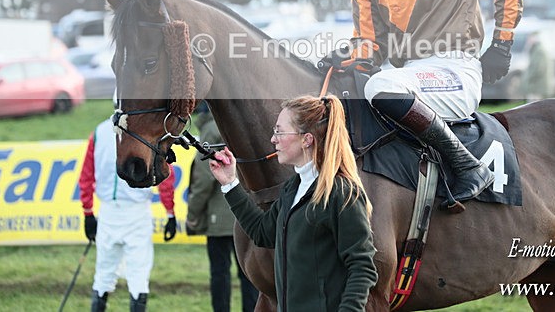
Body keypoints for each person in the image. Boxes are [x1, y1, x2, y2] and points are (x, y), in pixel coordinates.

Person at [325, 0, 526, 210]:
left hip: (453, 72)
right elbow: (369, 43)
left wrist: (501, 44)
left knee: (380, 87)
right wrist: (347, 58)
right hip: (408, 77)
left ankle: (468, 166)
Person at [208, 94, 378, 312]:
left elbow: (362, 267)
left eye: (279, 131)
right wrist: (230, 183)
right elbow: (262, 232)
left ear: (306, 139)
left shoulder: (343, 193)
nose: (273, 139)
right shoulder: (292, 188)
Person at [79, 117, 178, 312]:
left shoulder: (98, 132)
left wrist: (88, 212)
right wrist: (170, 214)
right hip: (134, 213)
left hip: (110, 212)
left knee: (103, 274)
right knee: (138, 275)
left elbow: (86, 176)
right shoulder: (148, 130)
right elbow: (165, 176)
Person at [186, 104, 259, 312]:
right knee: (249, 274)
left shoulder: (210, 131)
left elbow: (203, 181)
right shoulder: (238, 123)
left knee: (220, 274)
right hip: (246, 215)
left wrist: (193, 215)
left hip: (220, 217)